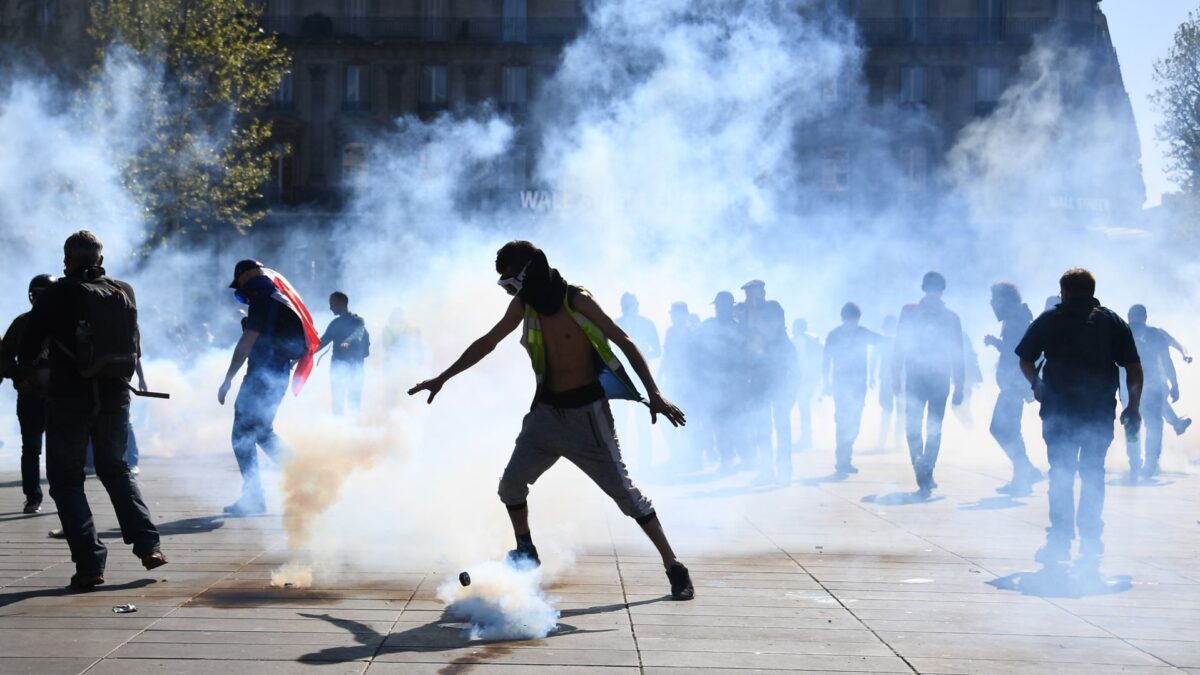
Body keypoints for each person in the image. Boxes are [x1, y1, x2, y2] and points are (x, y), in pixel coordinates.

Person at [408, 241, 694, 600]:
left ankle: (674, 566)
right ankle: (526, 549)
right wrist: (443, 377)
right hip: (545, 417)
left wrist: (653, 393)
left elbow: (622, 340)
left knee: (626, 496)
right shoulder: (523, 306)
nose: (511, 292)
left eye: (512, 283)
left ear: (531, 272)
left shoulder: (576, 300)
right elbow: (487, 342)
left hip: (588, 419)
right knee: (510, 486)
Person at [15, 231, 165, 590]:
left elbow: (30, 345)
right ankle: (148, 545)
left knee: (67, 482)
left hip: (69, 399)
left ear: (67, 260)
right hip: (115, 397)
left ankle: (90, 565)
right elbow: (135, 344)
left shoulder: (57, 295)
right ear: (100, 259)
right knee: (116, 469)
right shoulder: (123, 291)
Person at [1016, 269, 1141, 565]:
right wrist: (1133, 406)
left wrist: (1037, 384)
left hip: (1059, 411)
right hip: (1098, 411)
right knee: (1093, 473)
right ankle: (1091, 538)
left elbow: (1024, 359)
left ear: (1065, 291)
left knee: (1061, 473)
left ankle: (1060, 540)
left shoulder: (1049, 319)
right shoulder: (1112, 321)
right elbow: (1134, 368)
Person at [217, 260, 318, 516]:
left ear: (247, 275)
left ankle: (254, 498)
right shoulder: (277, 296)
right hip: (277, 373)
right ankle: (304, 477)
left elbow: (247, 342)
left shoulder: (262, 297)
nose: (240, 288)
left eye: (239, 281)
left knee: (242, 435)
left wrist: (228, 378)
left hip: (262, 376)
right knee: (261, 432)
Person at [894, 271, 965, 497]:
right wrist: (959, 385)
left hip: (918, 377)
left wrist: (895, 376)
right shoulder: (950, 317)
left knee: (915, 426)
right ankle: (925, 470)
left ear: (923, 287)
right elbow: (958, 354)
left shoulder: (910, 311)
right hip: (937, 379)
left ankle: (922, 470)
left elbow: (899, 347)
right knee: (933, 427)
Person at [0, 274, 56, 513]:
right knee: (32, 448)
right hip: (32, 393)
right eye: (37, 295)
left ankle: (65, 498)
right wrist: (18, 376)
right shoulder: (22, 323)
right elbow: (3, 355)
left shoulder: (65, 324)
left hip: (59, 396)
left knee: (57, 450)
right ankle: (33, 496)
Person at [984, 282, 1042, 496]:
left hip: (1014, 385)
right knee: (1008, 430)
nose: (992, 305)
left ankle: (1025, 471)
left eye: (994, 300)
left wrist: (995, 343)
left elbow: (1017, 351)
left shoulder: (1017, 318)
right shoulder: (1015, 317)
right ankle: (1024, 473)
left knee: (1001, 428)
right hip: (1013, 384)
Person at [823, 302, 881, 475]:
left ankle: (845, 458)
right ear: (843, 319)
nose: (851, 324)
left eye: (854, 321)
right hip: (841, 385)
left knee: (855, 423)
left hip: (858, 387)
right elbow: (826, 360)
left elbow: (881, 340)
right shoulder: (833, 335)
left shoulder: (862, 333)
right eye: (849, 320)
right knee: (842, 422)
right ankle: (842, 460)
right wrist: (826, 383)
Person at [1124, 305, 1176, 481]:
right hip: (1148, 386)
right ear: (1145, 316)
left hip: (1129, 387)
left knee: (1133, 427)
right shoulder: (1154, 334)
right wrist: (1174, 384)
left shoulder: (1122, 332)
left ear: (1129, 316)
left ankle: (1136, 464)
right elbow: (1166, 360)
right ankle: (1148, 465)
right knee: (1153, 426)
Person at [698, 291, 746, 473]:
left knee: (739, 420)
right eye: (717, 305)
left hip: (735, 382)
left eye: (722, 305)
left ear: (730, 306)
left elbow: (747, 352)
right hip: (714, 382)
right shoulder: (708, 326)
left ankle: (745, 455)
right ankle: (727, 458)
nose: (719, 309)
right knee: (719, 421)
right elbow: (697, 350)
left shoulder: (739, 328)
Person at [754, 301, 798, 484]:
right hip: (762, 393)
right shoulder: (759, 342)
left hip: (781, 393)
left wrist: (790, 396)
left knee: (783, 432)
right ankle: (766, 471)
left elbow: (796, 373)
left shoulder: (785, 346)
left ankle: (785, 472)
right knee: (763, 433)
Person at [616, 293, 660, 469]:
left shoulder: (647, 324)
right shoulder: (615, 323)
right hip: (622, 377)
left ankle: (645, 463)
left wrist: (640, 357)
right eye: (624, 304)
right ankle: (622, 461)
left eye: (629, 303)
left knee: (644, 420)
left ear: (636, 304)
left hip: (641, 378)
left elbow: (657, 351)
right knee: (621, 421)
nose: (626, 306)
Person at [659, 301, 699, 470]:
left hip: (690, 382)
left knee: (688, 420)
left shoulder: (692, 332)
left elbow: (698, 358)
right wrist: (659, 376)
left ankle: (693, 459)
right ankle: (676, 455)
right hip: (674, 380)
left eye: (676, 314)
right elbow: (667, 355)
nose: (674, 317)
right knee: (669, 419)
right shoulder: (671, 331)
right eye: (672, 314)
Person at [318, 291, 370, 416]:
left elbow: (358, 333)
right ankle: (338, 429)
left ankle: (354, 429)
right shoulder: (335, 324)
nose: (330, 307)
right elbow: (321, 342)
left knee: (354, 399)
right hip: (338, 365)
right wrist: (301, 356)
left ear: (341, 303)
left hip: (355, 366)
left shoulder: (358, 321)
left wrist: (347, 341)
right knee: (337, 399)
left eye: (332, 304)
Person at [792, 318, 822, 451]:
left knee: (803, 409)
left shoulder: (794, 340)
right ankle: (806, 439)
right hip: (805, 379)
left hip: (802, 379)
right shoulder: (814, 340)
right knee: (804, 409)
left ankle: (806, 440)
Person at [873, 315, 901, 451]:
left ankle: (885, 442)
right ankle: (894, 443)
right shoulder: (899, 341)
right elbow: (873, 359)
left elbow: (873, 359)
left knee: (889, 411)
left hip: (893, 379)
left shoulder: (883, 341)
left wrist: (871, 377)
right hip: (894, 379)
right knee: (895, 411)